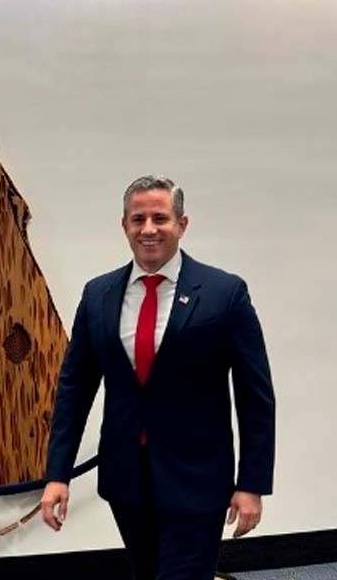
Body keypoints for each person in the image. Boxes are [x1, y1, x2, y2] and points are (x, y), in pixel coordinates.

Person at [39, 175, 275, 580]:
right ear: (125, 226)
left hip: (199, 478)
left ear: (182, 225)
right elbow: (75, 388)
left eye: (160, 218)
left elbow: (255, 397)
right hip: (127, 478)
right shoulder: (98, 295)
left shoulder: (224, 294)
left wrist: (251, 483)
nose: (149, 229)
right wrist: (57, 474)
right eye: (138, 219)